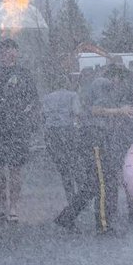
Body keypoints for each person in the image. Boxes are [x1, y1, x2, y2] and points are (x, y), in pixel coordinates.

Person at [54, 64, 133, 235]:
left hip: (96, 137)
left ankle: (66, 216)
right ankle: (104, 226)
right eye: (123, 80)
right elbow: (95, 110)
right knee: (105, 182)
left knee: (93, 184)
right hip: (95, 138)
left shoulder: (104, 86)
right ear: (117, 77)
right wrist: (121, 111)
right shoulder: (103, 83)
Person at [0, 38, 40, 223]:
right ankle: (1, 204)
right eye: (1, 50)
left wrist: (28, 121)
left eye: (8, 49)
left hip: (17, 128)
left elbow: (33, 101)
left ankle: (14, 207)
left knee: (15, 169)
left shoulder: (24, 74)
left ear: (16, 52)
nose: (4, 53)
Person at [41, 74, 84, 204]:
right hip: (67, 131)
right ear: (66, 83)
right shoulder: (72, 95)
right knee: (74, 163)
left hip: (52, 133)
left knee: (63, 167)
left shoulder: (47, 98)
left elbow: (43, 115)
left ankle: (70, 196)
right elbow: (77, 112)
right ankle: (80, 194)